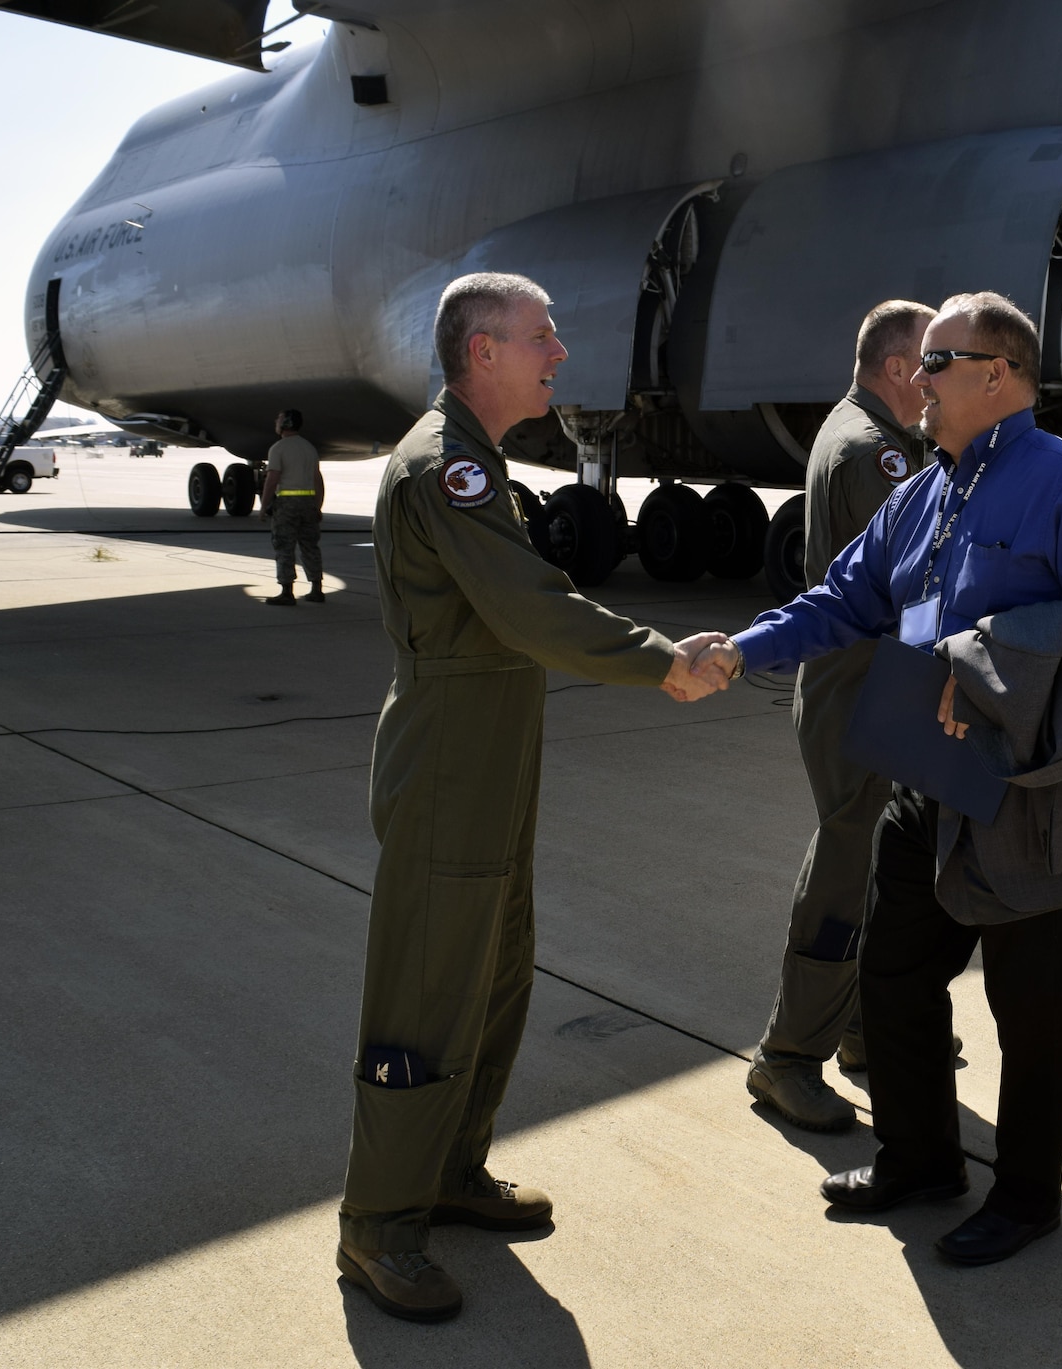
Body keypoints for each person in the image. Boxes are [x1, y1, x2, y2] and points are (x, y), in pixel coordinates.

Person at [691, 292, 1062, 1267]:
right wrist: (741, 648)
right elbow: (843, 598)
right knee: (893, 969)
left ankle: (1026, 1199)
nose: (919, 377)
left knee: (1029, 1009)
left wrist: (985, 659)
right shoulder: (925, 489)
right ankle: (918, 1160)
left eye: (938, 360)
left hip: (1035, 790)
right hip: (927, 781)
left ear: (996, 373)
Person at [336, 272, 723, 1323]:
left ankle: (450, 1169)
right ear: (483, 352)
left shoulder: (476, 459)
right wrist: (659, 661)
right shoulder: (444, 467)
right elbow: (526, 606)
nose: (559, 352)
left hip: (492, 756)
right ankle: (377, 1224)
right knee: (426, 986)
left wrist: (650, 652)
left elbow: (526, 606)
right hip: (450, 761)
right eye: (541, 336)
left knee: (492, 973)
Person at [746, 299, 936, 1132]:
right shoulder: (875, 453)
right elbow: (907, 589)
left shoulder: (857, 431)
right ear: (898, 368)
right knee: (846, 866)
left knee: (875, 865)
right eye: (931, 364)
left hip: (861, 684)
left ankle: (858, 1027)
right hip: (863, 689)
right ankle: (788, 1056)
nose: (937, 380)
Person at [260, 409, 326, 605]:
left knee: (284, 546)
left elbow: (272, 478)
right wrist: (317, 506)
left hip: (287, 504)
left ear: (286, 423)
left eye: (279, 419)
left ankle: (287, 591)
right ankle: (316, 589)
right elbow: (317, 479)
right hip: (308, 504)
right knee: (310, 546)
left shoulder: (278, 449)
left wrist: (263, 506)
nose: (276, 421)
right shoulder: (309, 448)